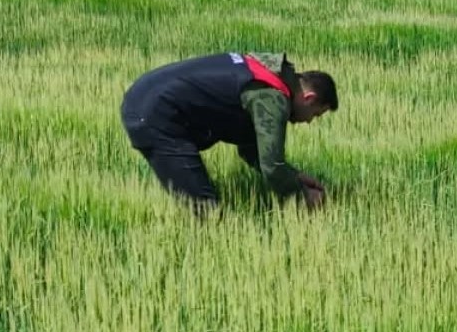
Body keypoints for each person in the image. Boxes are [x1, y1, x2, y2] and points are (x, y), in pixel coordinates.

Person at [120, 51, 338, 213]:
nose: (309, 122)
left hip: (146, 93)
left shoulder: (271, 69)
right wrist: (302, 196)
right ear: (309, 98)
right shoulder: (272, 99)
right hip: (156, 115)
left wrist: (294, 176)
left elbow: (251, 148)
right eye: (316, 114)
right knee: (206, 212)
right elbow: (271, 167)